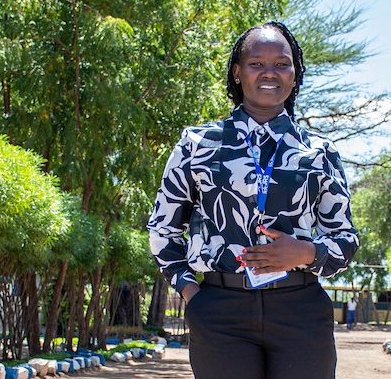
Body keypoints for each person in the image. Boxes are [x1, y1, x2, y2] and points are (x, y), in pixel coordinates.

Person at [147, 21, 359, 379]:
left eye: (282, 63)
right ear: (237, 72)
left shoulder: (319, 152)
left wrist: (305, 252)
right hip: (219, 311)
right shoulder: (196, 145)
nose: (269, 73)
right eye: (256, 63)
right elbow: (163, 228)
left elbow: (346, 238)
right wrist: (190, 292)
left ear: (295, 73)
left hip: (300, 309)